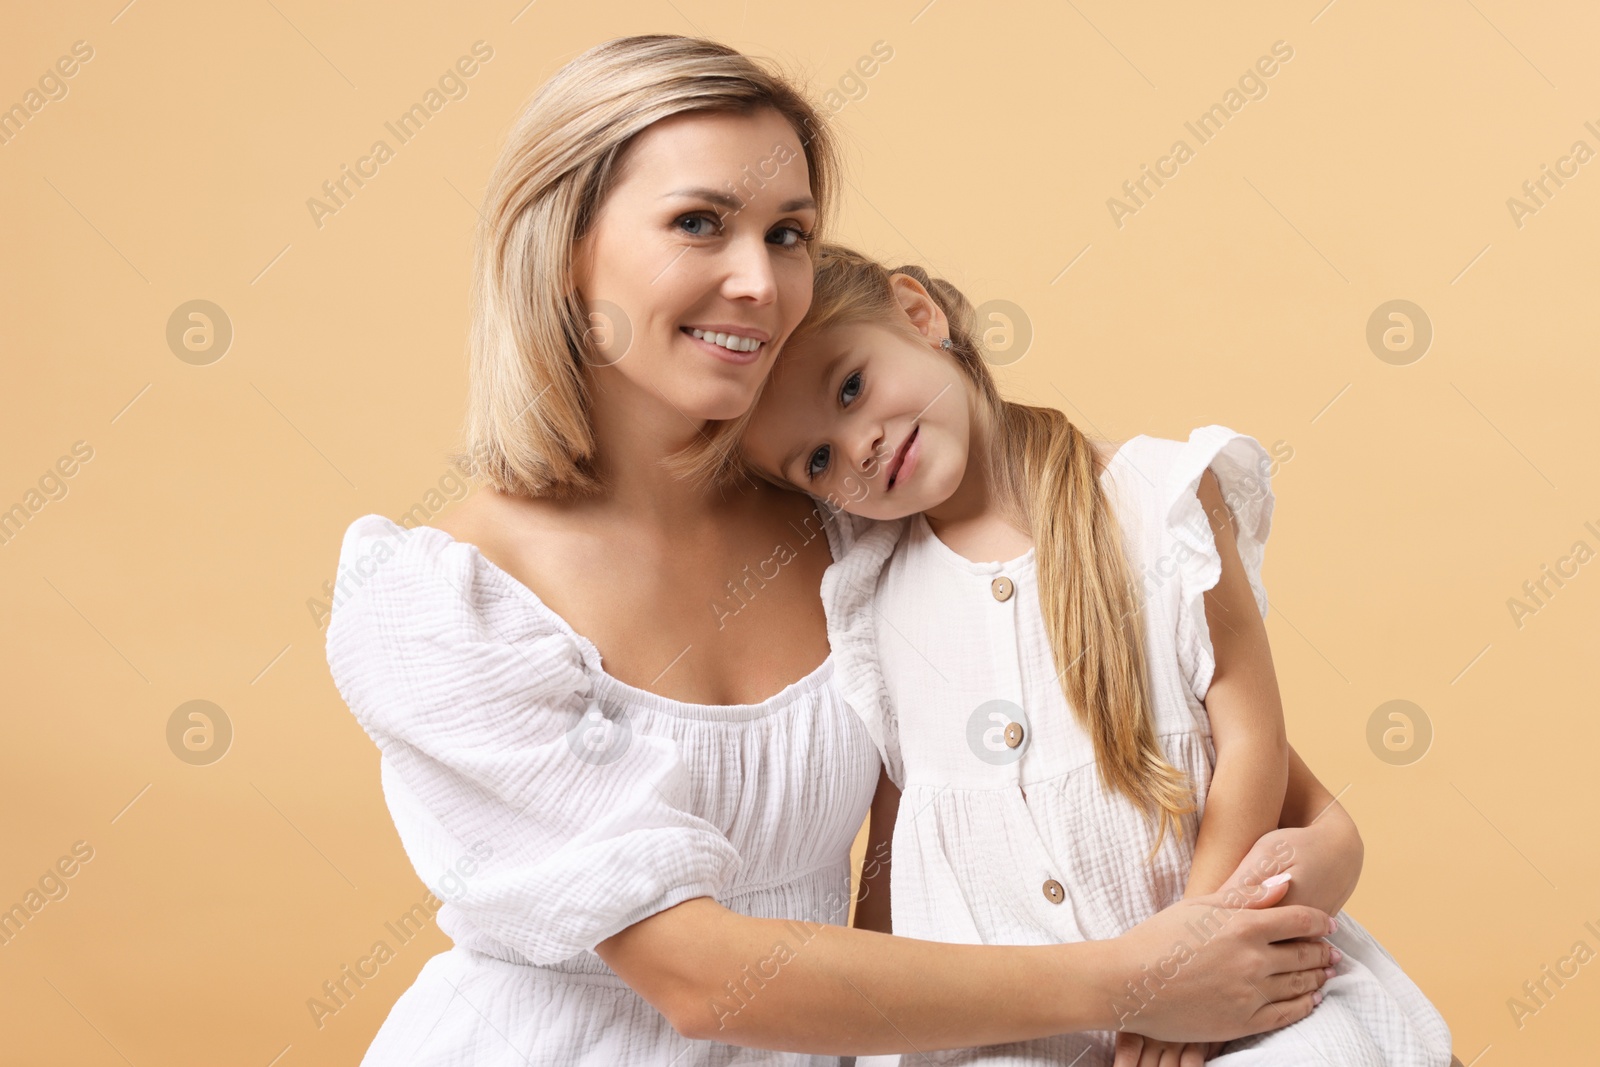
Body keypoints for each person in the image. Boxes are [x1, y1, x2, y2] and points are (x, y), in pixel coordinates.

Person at [324, 34, 1350, 1066]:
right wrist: (1140, 981)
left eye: (787, 233)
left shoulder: (859, 517)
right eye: (698, 223)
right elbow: (699, 975)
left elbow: (1195, 748)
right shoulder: (444, 605)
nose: (761, 283)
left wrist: (1312, 871)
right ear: (564, 249)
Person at [736, 243, 1457, 1066]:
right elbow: (896, 839)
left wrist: (1184, 971)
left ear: (917, 314)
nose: (857, 445)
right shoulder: (872, 602)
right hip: (1007, 1030)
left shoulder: (1159, 501)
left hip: (1228, 990)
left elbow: (1252, 745)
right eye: (819, 459)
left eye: (852, 387)